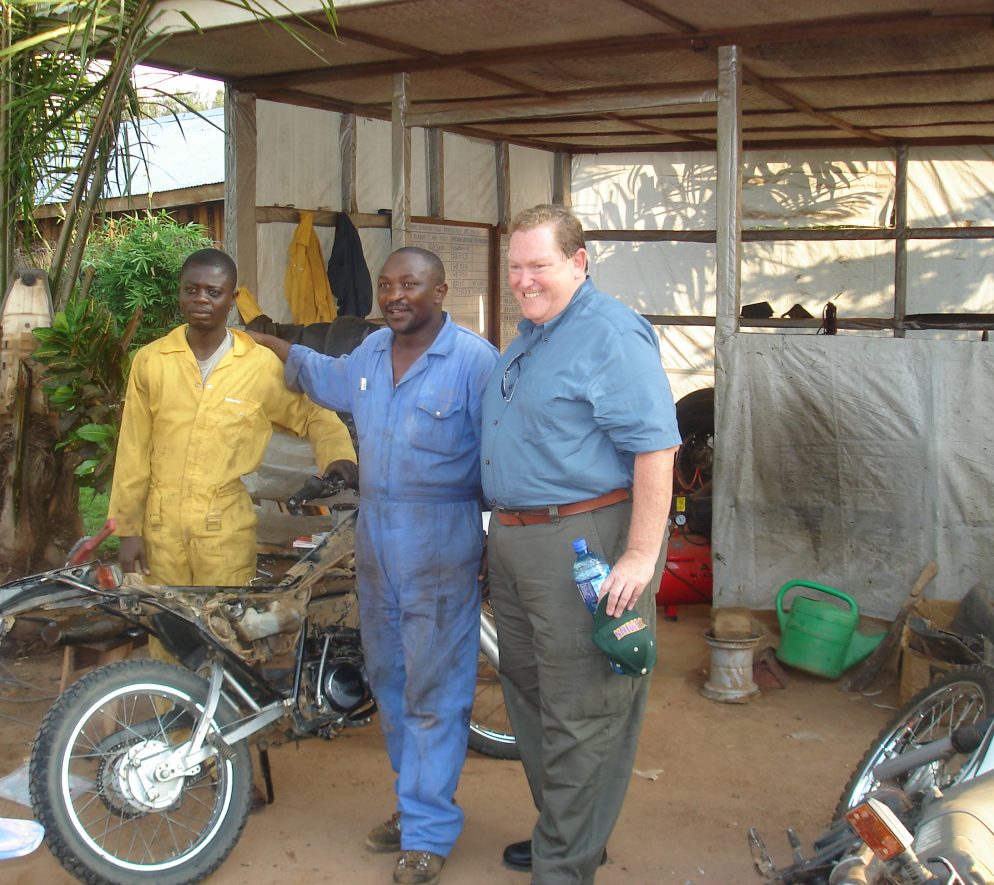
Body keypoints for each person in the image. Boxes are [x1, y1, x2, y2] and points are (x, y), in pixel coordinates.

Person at [251, 247, 497, 885]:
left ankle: (428, 831)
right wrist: (266, 341)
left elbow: (499, 462)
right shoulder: (367, 355)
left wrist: (494, 544)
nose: (394, 295)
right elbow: (318, 373)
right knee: (390, 679)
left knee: (434, 688)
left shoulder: (474, 361)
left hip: (441, 539)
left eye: (409, 284)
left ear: (440, 291)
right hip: (378, 538)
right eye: (386, 285)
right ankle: (416, 806)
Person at [480, 205, 681, 883]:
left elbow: (656, 447)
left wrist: (640, 556)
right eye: (515, 267)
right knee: (531, 695)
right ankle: (567, 836)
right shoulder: (534, 335)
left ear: (578, 262)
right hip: (516, 542)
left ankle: (564, 865)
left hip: (584, 543)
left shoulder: (609, 333)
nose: (523, 280)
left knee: (583, 706)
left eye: (538, 265)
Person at [108, 247, 357, 588]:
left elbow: (314, 414)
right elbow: (132, 450)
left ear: (233, 297)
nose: (201, 299)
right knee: (167, 629)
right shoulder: (153, 362)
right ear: (179, 292)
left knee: (225, 630)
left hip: (225, 530)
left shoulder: (258, 365)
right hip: (160, 530)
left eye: (214, 292)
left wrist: (339, 459)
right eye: (191, 289)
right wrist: (127, 530)